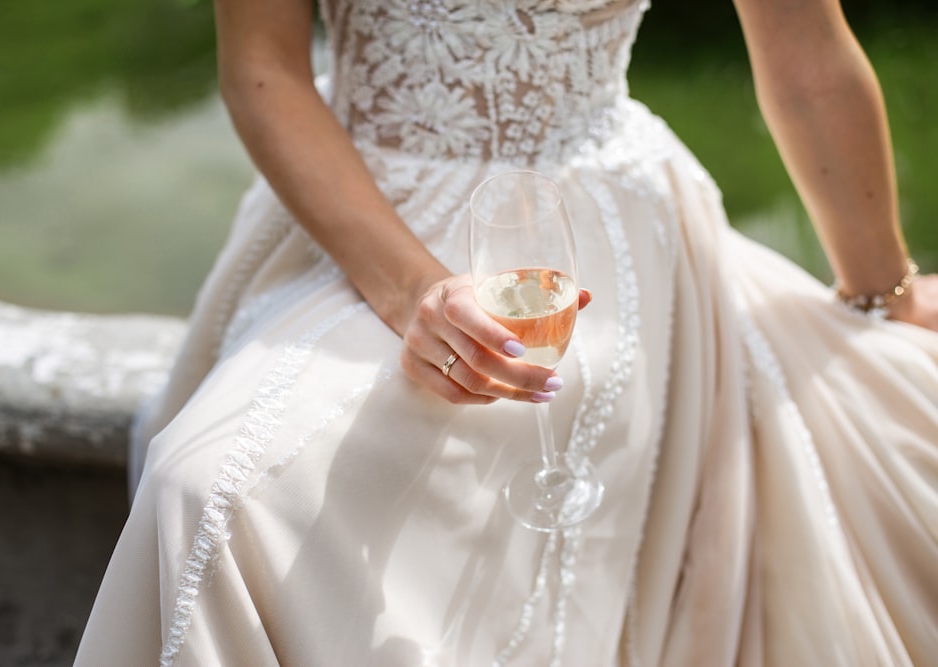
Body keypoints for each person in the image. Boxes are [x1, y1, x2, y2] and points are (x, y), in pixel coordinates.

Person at [75, 0, 938, 664]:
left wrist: (882, 291)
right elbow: (262, 72)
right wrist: (417, 292)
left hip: (601, 240)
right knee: (206, 490)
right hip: (356, 220)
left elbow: (809, 64)